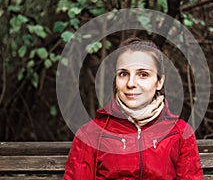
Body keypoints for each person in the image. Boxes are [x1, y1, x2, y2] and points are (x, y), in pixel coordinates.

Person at [63, 37, 203, 180]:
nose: (131, 83)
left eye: (143, 74)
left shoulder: (180, 133)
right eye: (123, 74)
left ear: (159, 82)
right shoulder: (90, 134)